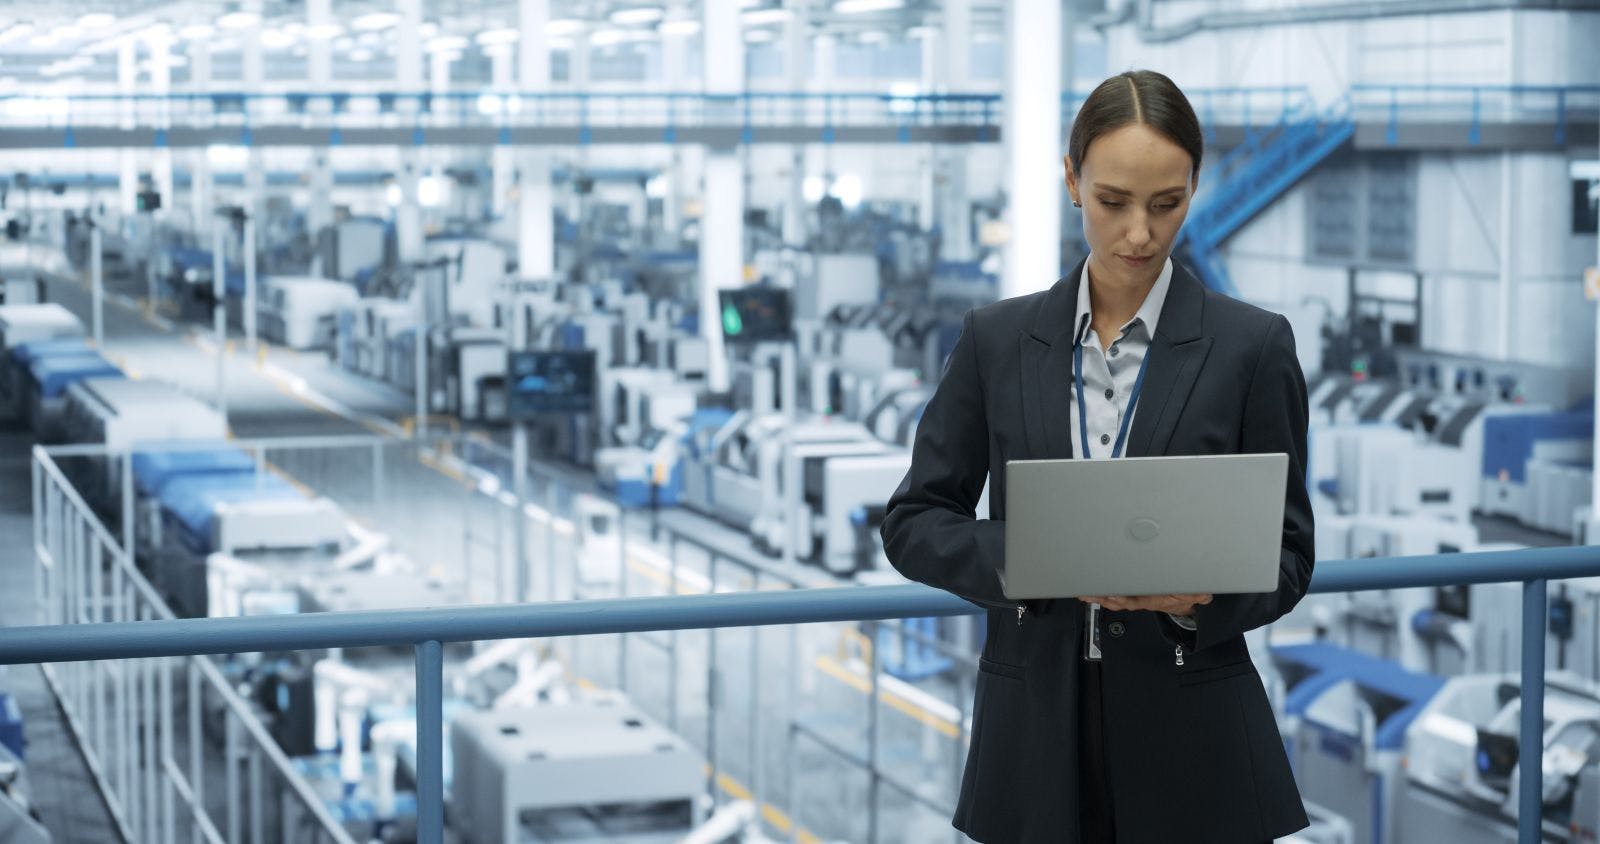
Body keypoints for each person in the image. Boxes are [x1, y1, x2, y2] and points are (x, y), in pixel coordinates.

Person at [880, 69, 1314, 843]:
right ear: (1073, 180)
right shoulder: (997, 341)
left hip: (1197, 740)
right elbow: (914, 520)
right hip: (1034, 737)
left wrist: (1197, 601)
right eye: (1113, 203)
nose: (1140, 234)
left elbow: (1288, 557)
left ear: (1193, 186)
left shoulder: (1253, 348)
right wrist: (1035, 556)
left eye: (1167, 204)